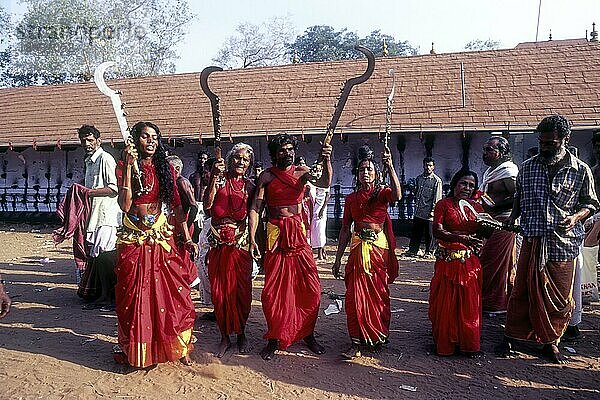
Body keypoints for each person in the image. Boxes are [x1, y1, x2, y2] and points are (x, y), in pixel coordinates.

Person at [497, 115, 599, 364]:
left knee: (559, 298)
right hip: (532, 239)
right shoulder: (529, 166)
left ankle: (551, 341)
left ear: (566, 139)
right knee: (522, 290)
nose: (544, 147)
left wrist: (576, 217)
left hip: (562, 244)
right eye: (541, 142)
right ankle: (514, 336)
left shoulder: (581, 170)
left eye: (550, 143)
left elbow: (591, 203)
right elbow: (520, 196)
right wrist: (513, 218)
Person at [114, 121, 198, 368]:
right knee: (135, 294)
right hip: (134, 238)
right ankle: (139, 351)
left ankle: (178, 346)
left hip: (161, 236)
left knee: (173, 292)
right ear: (135, 141)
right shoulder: (124, 166)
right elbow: (125, 205)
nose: (150, 141)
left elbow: (177, 206)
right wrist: (129, 168)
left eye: (154, 137)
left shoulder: (165, 169)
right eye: (145, 136)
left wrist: (188, 236)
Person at [249, 133, 332, 360]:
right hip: (275, 236)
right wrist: (252, 237)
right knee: (273, 292)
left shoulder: (302, 173)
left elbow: (324, 182)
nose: (287, 153)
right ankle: (274, 338)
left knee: (310, 288)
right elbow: (256, 208)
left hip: (297, 235)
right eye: (282, 150)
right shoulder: (266, 176)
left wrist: (327, 160)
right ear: (275, 154)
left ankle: (308, 333)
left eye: (290, 149)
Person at [332, 145, 401, 358]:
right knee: (354, 296)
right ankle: (355, 343)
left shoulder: (382, 194)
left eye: (370, 169)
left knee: (378, 294)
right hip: (357, 249)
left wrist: (390, 167)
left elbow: (397, 195)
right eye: (362, 169)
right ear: (357, 174)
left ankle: (376, 334)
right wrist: (337, 259)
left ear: (376, 173)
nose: (366, 173)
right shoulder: (351, 199)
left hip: (378, 251)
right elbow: (345, 229)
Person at [204, 143, 255, 357]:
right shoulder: (219, 179)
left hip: (240, 245)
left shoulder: (250, 187)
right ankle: (224, 336)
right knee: (220, 292)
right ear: (230, 159)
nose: (241, 162)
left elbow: (254, 214)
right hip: (218, 244)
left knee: (241, 292)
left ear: (249, 163)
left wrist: (253, 241)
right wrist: (213, 179)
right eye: (237, 158)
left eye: (245, 159)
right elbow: (207, 205)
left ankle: (241, 334)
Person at [428, 169, 484, 357]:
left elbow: (485, 232)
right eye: (463, 183)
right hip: (448, 262)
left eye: (471, 185)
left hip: (469, 263)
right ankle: (446, 344)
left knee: (468, 304)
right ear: (454, 184)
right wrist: (463, 238)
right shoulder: (443, 205)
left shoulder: (478, 208)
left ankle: (468, 343)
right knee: (445, 304)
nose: (467, 188)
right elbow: (437, 230)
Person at [77, 125, 120, 309]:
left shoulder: (105, 159)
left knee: (107, 256)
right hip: (94, 214)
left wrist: (87, 193)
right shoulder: (89, 160)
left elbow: (113, 189)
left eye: (90, 140)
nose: (87, 143)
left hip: (107, 214)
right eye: (83, 140)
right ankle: (103, 294)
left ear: (98, 140)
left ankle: (112, 296)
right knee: (98, 257)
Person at [478, 136, 519, 313]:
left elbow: (518, 198)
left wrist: (493, 206)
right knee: (491, 262)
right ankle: (491, 302)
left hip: (503, 222)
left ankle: (494, 304)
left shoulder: (509, 172)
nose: (484, 154)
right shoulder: (491, 172)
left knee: (492, 263)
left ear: (501, 153)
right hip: (490, 221)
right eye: (484, 149)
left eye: (489, 150)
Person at [167, 155, 199, 287]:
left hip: (183, 221)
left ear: (177, 168)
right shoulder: (172, 183)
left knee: (182, 252)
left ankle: (189, 279)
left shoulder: (182, 182)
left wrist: (187, 225)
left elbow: (194, 206)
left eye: (167, 169)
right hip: (176, 221)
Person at [406, 157, 442, 258]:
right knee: (416, 232)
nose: (428, 167)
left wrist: (433, 211)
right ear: (423, 165)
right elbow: (416, 193)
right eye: (426, 165)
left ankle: (429, 252)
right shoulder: (419, 178)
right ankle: (413, 250)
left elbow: (437, 197)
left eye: (430, 165)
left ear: (433, 167)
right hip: (418, 210)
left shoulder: (436, 181)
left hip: (429, 212)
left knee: (429, 234)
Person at [309, 163, 330, 261]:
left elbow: (327, 196)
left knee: (321, 230)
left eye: (319, 170)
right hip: (315, 207)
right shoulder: (315, 181)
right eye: (315, 170)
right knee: (315, 230)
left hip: (321, 208)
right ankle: (321, 252)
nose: (317, 172)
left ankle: (321, 254)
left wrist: (322, 210)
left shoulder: (325, 180)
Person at [189, 151, 210, 241]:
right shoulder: (193, 176)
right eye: (201, 158)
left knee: (205, 228)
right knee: (195, 228)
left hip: (206, 205)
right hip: (196, 203)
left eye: (205, 158)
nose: (202, 160)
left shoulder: (209, 176)